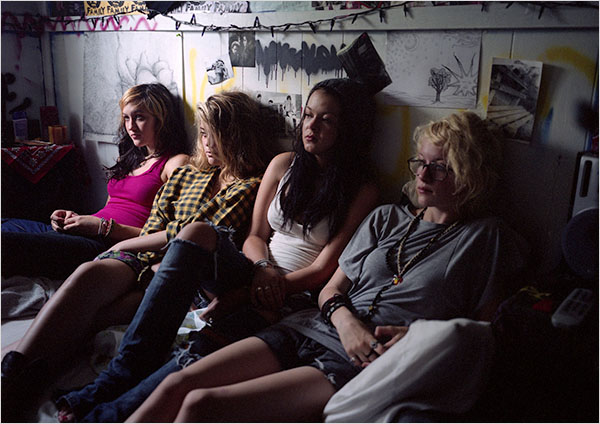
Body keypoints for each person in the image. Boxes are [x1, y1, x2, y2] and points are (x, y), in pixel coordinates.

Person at [126, 111, 529, 423]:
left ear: (469, 173)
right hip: (312, 324)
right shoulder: (387, 217)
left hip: (360, 358)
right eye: (420, 162)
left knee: (201, 405)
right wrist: (346, 322)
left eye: (439, 167)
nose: (423, 175)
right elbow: (331, 288)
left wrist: (418, 337)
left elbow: (481, 333)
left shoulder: (486, 236)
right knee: (178, 383)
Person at [56, 78, 380, 422]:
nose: (311, 127)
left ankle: (106, 414)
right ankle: (118, 375)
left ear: (348, 128)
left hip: (292, 293)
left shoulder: (362, 190)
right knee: (198, 231)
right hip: (256, 268)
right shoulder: (284, 164)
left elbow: (324, 268)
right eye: (308, 115)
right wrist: (262, 269)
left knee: (199, 352)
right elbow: (255, 236)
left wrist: (260, 290)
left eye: (326, 120)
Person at [1, 91, 277, 422]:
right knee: (88, 274)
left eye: (215, 135)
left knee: (97, 318)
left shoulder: (250, 185)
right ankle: (12, 375)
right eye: (203, 134)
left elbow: (203, 233)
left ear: (237, 138)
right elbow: (152, 226)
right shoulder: (187, 174)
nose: (207, 143)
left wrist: (118, 241)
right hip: (144, 255)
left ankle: (38, 381)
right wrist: (124, 246)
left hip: (180, 275)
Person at [1, 83, 189, 280]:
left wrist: (103, 227)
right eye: (126, 118)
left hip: (104, 245)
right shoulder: (129, 159)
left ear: (161, 120)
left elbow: (172, 234)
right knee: (5, 222)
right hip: (87, 233)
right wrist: (73, 219)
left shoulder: (175, 163)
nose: (130, 126)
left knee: (6, 243)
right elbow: (110, 208)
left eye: (139, 117)